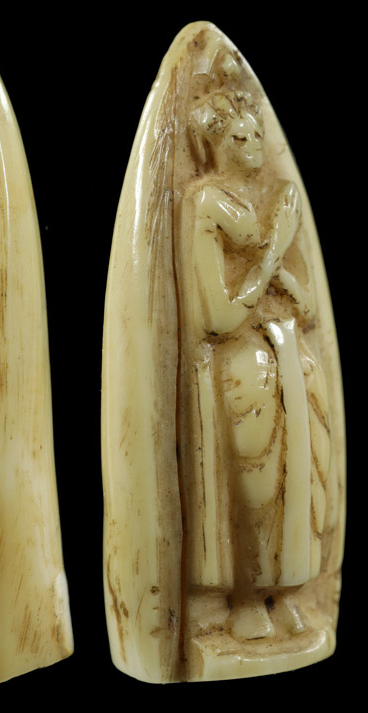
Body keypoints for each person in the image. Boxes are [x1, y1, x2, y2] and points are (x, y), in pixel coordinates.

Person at [183, 87, 332, 640]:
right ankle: (245, 597)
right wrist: (270, 251)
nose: (252, 146)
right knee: (255, 478)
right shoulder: (206, 205)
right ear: (214, 146)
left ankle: (287, 590)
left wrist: (277, 262)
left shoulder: (274, 200)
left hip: (286, 354)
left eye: (254, 135)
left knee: (301, 476)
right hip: (238, 363)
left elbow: (306, 306)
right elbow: (217, 316)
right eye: (237, 137)